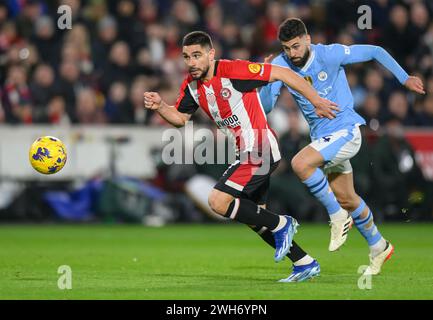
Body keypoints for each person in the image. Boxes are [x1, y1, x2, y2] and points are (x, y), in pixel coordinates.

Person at [144, 31, 338, 282]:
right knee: (254, 218)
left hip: (260, 149)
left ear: (211, 54)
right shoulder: (192, 87)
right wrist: (161, 106)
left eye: (196, 55)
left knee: (218, 201)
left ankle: (282, 224)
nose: (191, 62)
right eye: (186, 57)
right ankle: (304, 262)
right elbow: (180, 119)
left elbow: (283, 74)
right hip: (246, 153)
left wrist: (316, 101)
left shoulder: (234, 70)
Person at [260, 18, 425, 275]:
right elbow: (267, 106)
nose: (292, 53)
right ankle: (379, 246)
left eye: (295, 46)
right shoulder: (281, 64)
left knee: (300, 163)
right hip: (323, 139)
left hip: (346, 131)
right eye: (286, 48)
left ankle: (337, 216)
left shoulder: (329, 54)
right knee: (347, 197)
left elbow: (375, 51)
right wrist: (267, 79)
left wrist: (404, 78)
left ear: (307, 39)